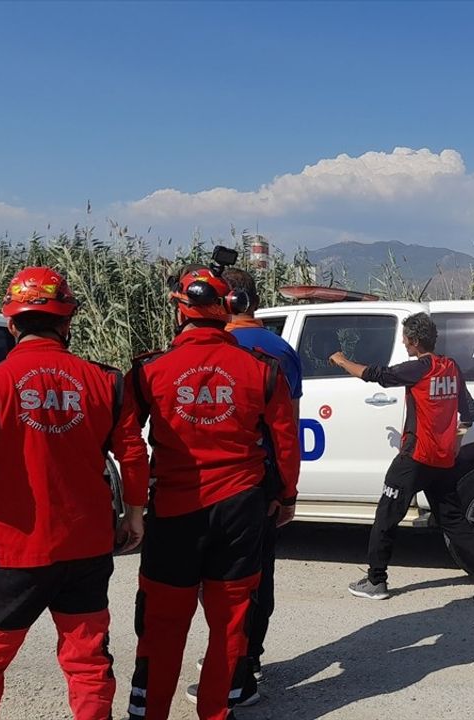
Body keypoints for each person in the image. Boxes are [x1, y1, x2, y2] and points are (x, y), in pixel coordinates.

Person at [0, 266, 150, 720]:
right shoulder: (107, 382)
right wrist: (133, 514)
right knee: (88, 658)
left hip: (13, 548)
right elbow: (132, 455)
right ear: (67, 322)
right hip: (86, 545)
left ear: (11, 324)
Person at [125, 265, 300, 720]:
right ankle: (216, 712)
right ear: (228, 312)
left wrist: (133, 505)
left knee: (162, 622)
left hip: (174, 511)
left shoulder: (149, 370)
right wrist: (287, 494)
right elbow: (285, 441)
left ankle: (150, 711)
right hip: (241, 510)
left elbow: (127, 442)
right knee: (229, 624)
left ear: (179, 313)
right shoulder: (263, 370)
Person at [329, 312, 474, 603]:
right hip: (441, 460)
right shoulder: (451, 367)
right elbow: (469, 413)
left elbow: (375, 375)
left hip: (415, 458)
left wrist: (341, 361)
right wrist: (454, 442)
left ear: (414, 341)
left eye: (404, 339)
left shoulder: (418, 369)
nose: (403, 343)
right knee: (452, 519)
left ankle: (376, 581)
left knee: (385, 517)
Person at [184, 267, 303, 707]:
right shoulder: (281, 351)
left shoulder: (202, 347)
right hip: (259, 483)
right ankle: (246, 659)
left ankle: (224, 662)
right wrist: (287, 490)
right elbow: (287, 426)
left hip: (197, 482)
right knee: (254, 575)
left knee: (201, 580)